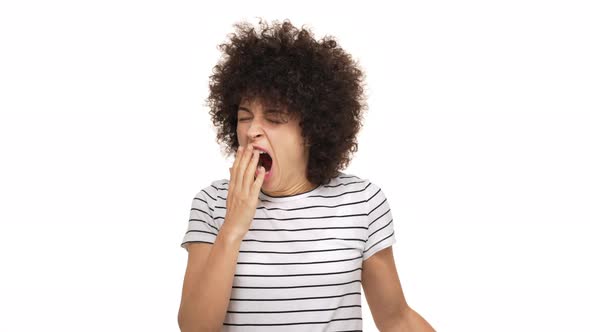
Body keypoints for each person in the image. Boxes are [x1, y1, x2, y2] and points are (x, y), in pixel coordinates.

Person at [178, 18, 435, 332]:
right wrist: (233, 227)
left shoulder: (362, 202)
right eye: (244, 117)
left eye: (273, 118)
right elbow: (194, 327)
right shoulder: (212, 203)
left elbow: (396, 318)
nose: (252, 131)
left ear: (311, 131)